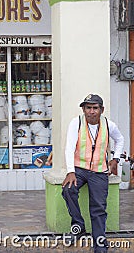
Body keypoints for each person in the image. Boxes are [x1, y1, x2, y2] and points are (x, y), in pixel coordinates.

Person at [62, 94, 124, 253]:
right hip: (79, 169)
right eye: (88, 108)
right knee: (68, 190)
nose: (91, 111)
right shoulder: (76, 123)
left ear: (101, 110)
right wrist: (70, 171)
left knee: (98, 209)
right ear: (83, 109)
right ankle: (79, 225)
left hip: (99, 171)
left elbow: (120, 139)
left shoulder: (109, 125)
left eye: (95, 108)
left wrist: (115, 159)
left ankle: (100, 247)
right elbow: (69, 147)